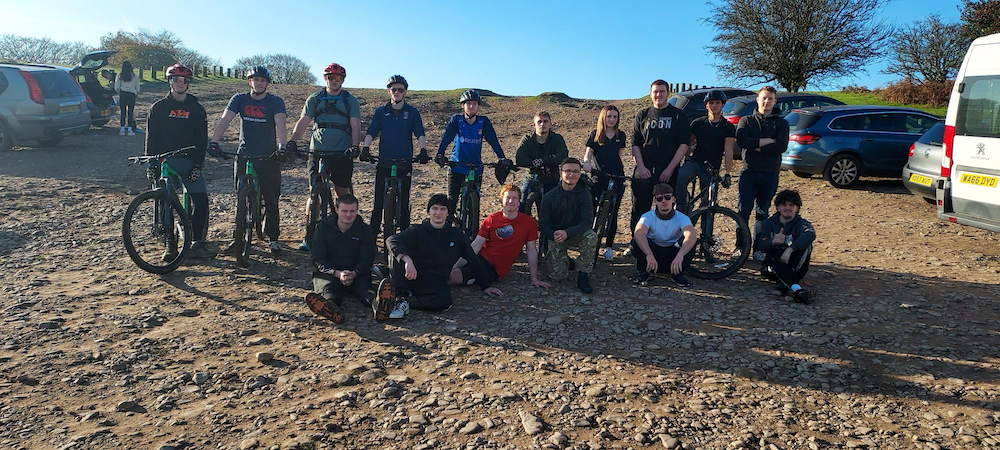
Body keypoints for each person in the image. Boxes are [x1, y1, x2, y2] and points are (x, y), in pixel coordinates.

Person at [382, 194, 503, 320]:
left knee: (444, 302)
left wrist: (486, 285)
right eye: (434, 208)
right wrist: (407, 259)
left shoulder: (456, 235)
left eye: (443, 209)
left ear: (448, 213)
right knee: (397, 252)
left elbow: (472, 259)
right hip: (413, 275)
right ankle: (400, 296)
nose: (438, 213)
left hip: (435, 281)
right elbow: (392, 240)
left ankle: (405, 302)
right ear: (428, 211)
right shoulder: (417, 230)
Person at [208, 66, 288, 255]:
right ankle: (239, 236)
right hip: (244, 153)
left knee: (271, 198)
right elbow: (225, 119)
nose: (259, 83)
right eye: (255, 80)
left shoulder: (275, 101)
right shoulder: (239, 99)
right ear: (249, 81)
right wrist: (214, 142)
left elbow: (280, 123)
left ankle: (273, 238)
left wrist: (282, 147)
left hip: (268, 155)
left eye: (262, 80)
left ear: (267, 83)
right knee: (240, 197)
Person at [289, 63, 362, 251]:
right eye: (331, 77)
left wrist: (355, 146)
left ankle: (348, 230)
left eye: (338, 78)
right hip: (317, 151)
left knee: (342, 192)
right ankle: (309, 234)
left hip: (342, 151)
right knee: (314, 193)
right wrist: (293, 141)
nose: (334, 81)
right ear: (325, 79)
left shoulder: (350, 101)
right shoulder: (315, 98)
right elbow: (304, 121)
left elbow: (355, 125)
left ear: (343, 80)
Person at [144, 64, 214, 260]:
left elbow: (202, 141)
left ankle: (196, 240)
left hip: (188, 161)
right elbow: (151, 139)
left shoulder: (197, 109)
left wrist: (198, 165)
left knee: (201, 201)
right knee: (164, 199)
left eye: (184, 80)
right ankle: (170, 243)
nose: (180, 83)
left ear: (188, 83)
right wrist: (152, 165)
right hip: (164, 161)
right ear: (170, 81)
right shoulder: (157, 108)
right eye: (176, 79)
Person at [360, 75, 429, 237]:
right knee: (378, 203)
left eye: (400, 89)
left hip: (404, 161)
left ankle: (405, 238)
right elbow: (372, 131)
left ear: (405, 91)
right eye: (394, 89)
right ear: (388, 91)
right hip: (384, 161)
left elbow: (419, 132)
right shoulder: (381, 112)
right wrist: (365, 148)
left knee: (404, 203)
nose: (397, 92)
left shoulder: (412, 112)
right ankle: (372, 238)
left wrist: (423, 150)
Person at [450, 184, 550, 289]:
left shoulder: (528, 223)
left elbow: (531, 251)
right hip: (478, 257)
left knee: (452, 276)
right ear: (502, 200)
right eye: (508, 198)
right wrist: (455, 265)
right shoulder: (491, 219)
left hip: (492, 269)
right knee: (443, 267)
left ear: (519, 201)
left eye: (514, 198)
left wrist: (534, 278)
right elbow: (476, 245)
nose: (511, 201)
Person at [629, 80, 690, 237]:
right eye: (655, 92)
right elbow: (635, 144)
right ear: (650, 93)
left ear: (668, 93)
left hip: (668, 170)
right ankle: (636, 241)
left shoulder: (679, 115)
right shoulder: (642, 115)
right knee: (639, 208)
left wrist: (670, 169)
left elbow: (684, 145)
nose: (659, 95)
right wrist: (641, 167)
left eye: (662, 91)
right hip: (644, 169)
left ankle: (664, 242)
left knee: (665, 209)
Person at [305, 194, 376, 323]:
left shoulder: (365, 230)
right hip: (330, 272)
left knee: (365, 291)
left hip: (356, 272)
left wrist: (355, 273)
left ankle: (379, 305)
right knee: (330, 291)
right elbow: (318, 259)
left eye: (352, 211)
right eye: (344, 211)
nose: (348, 215)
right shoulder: (322, 229)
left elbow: (368, 257)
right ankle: (330, 309)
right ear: (337, 210)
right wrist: (337, 273)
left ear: (357, 211)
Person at [434, 89, 507, 216]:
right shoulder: (456, 120)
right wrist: (440, 153)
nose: (471, 106)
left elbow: (493, 140)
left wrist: (502, 157)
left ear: (478, 105)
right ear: (463, 105)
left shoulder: (483, 122)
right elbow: (447, 137)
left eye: (474, 103)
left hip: (475, 167)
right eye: (468, 104)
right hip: (457, 165)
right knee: (452, 201)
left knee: (473, 205)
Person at [736, 86, 789, 258]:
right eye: (764, 98)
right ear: (757, 99)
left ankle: (759, 248)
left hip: (770, 173)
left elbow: (781, 146)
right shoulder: (746, 120)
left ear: (775, 101)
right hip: (749, 172)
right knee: (743, 211)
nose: (766, 102)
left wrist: (756, 146)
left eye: (770, 99)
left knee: (762, 212)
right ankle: (740, 247)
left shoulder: (782, 123)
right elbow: (742, 141)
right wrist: (766, 141)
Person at [539, 158, 598, 293]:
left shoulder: (585, 194)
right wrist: (553, 234)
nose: (572, 175)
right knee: (557, 276)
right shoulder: (549, 197)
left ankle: (583, 274)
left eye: (576, 171)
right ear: (561, 173)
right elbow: (543, 223)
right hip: (557, 236)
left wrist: (568, 232)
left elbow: (587, 221)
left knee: (591, 236)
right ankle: (569, 262)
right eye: (568, 171)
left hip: (577, 233)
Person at [675, 90, 736, 215]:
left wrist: (728, 172)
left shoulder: (728, 126)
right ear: (706, 105)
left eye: (717, 103)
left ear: (722, 105)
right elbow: (688, 144)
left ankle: (705, 231)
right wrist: (684, 158)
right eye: (711, 103)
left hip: (712, 167)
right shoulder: (697, 123)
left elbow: (729, 150)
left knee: (708, 201)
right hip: (695, 162)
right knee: (680, 177)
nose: (714, 106)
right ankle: (681, 211)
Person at [582, 105, 628, 260]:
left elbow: (619, 155)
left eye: (615, 117)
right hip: (598, 176)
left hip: (617, 176)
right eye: (609, 116)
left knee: (613, 212)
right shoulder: (595, 134)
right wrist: (587, 163)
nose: (611, 120)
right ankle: (588, 241)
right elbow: (588, 154)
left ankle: (608, 246)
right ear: (603, 117)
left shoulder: (621, 135)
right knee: (592, 209)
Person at [755, 189, 815, 304]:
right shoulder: (769, 223)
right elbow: (762, 246)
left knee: (807, 243)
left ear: (797, 208)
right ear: (777, 207)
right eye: (784, 204)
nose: (787, 208)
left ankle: (786, 285)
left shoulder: (802, 223)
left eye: (791, 205)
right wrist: (773, 241)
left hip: (795, 265)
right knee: (772, 257)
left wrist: (790, 249)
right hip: (773, 266)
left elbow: (810, 234)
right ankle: (797, 289)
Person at [630, 183, 695, 287]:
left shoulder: (682, 217)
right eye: (659, 199)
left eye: (667, 197)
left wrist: (680, 255)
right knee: (635, 242)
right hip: (652, 256)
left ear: (673, 199)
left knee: (690, 242)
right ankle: (643, 272)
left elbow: (691, 235)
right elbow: (639, 233)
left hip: (673, 257)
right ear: (655, 201)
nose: (664, 201)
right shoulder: (647, 216)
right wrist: (649, 254)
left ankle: (678, 274)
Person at [514, 111, 568, 213]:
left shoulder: (557, 139)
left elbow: (562, 156)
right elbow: (519, 157)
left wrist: (543, 161)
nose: (542, 124)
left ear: (550, 124)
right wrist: (534, 163)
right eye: (539, 122)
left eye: (545, 121)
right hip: (531, 177)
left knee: (554, 210)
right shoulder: (527, 139)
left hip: (551, 178)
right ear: (534, 125)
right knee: (522, 205)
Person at [115, 60, 141, 136]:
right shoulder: (135, 76)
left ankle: (122, 129)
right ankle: (130, 129)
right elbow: (138, 88)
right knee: (130, 112)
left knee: (123, 112)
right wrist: (135, 93)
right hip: (131, 94)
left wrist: (120, 93)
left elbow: (116, 87)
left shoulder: (120, 76)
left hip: (123, 93)